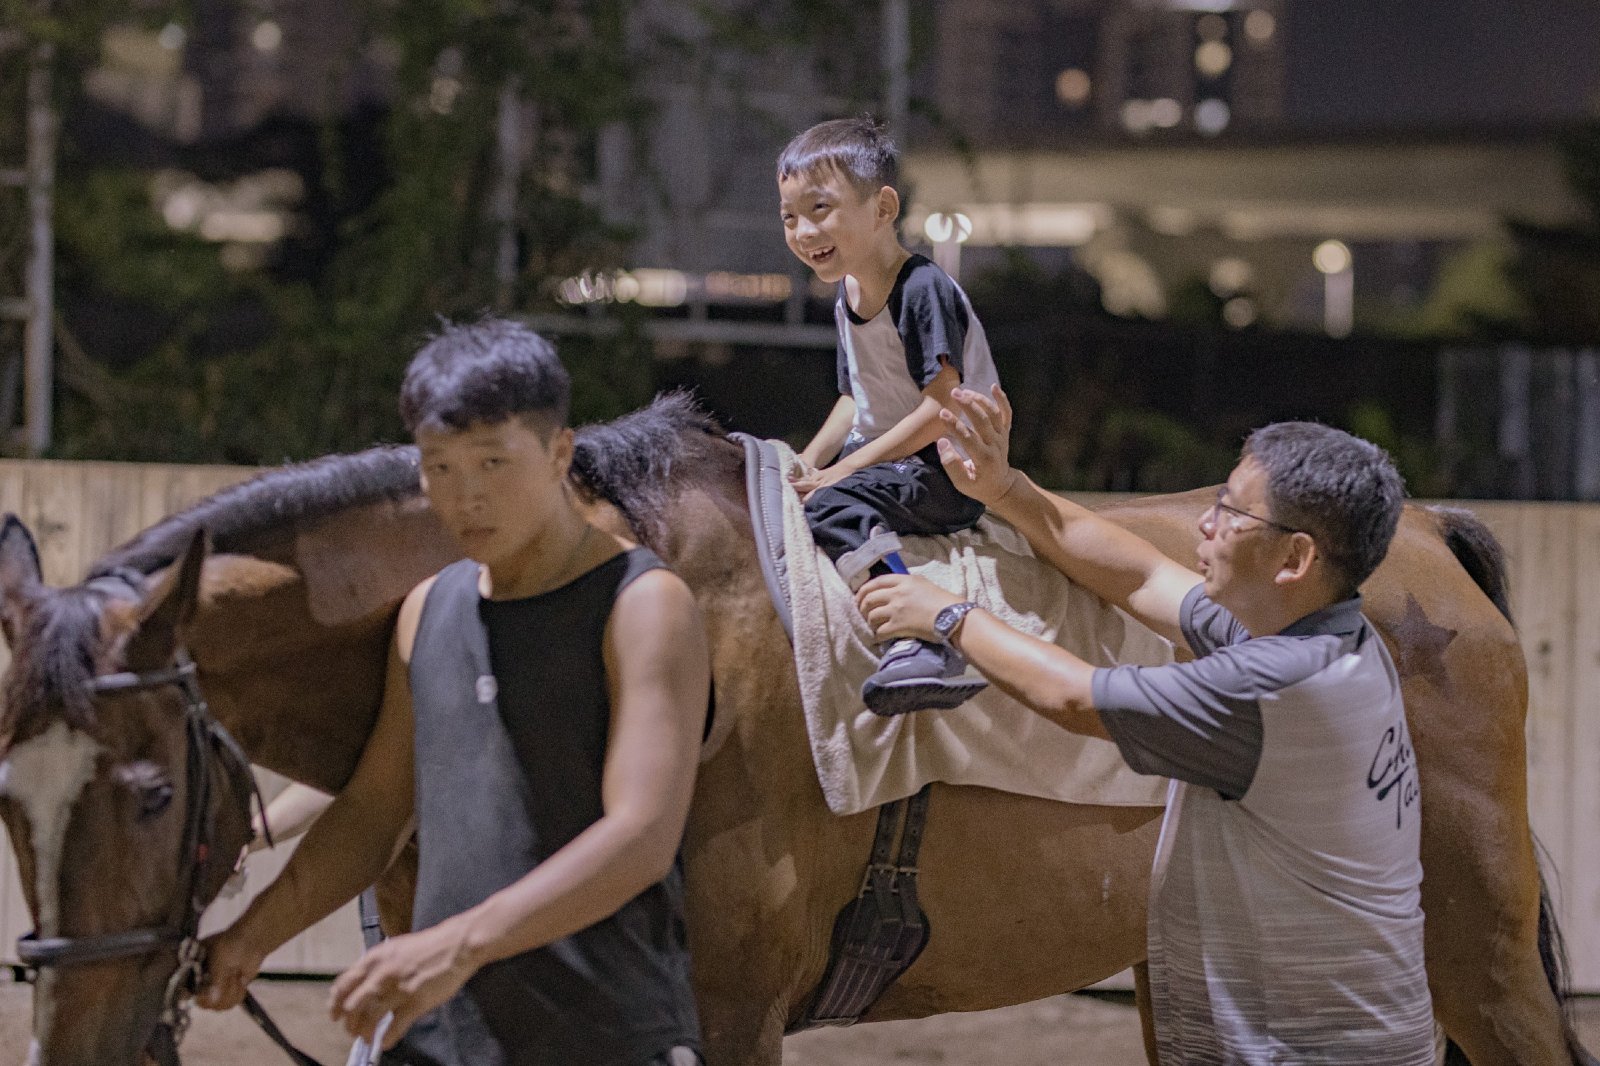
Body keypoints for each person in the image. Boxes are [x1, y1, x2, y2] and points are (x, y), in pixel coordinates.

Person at [857, 385, 1435, 1064]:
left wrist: (948, 616)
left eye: (1231, 512)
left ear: (1295, 559)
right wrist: (1006, 488)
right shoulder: (1323, 636)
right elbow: (1141, 576)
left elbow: (1072, 697)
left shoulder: (1277, 684)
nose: (1205, 525)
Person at [199, 318, 709, 1066]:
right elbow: (375, 813)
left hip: (607, 1041)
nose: (465, 495)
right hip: (438, 1040)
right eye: (439, 466)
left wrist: (454, 946)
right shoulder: (426, 611)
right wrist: (250, 939)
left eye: (492, 462)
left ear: (559, 453)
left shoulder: (644, 606)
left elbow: (642, 837)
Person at [778, 115, 1001, 716]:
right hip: (891, 458)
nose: (803, 231)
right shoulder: (848, 293)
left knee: (830, 504)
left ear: (882, 208)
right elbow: (855, 399)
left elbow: (942, 407)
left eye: (820, 209)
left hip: (946, 466)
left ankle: (913, 634)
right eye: (790, 216)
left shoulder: (921, 288)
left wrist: (840, 475)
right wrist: (807, 461)